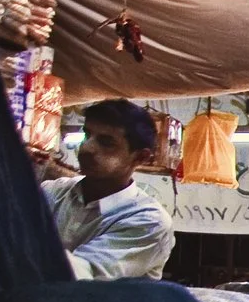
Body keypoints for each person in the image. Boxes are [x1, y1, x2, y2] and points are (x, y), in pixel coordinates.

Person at [42, 99, 174, 280]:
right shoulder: (51, 192)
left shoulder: (149, 222)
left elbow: (78, 276)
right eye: (87, 135)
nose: (87, 148)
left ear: (140, 157)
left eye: (106, 142)